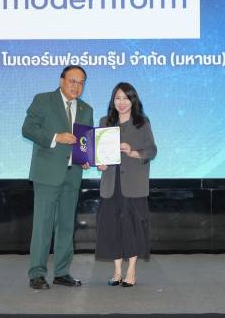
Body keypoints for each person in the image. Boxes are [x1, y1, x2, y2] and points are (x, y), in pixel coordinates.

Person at [22, 65, 94, 290]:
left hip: (73, 175)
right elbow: (28, 129)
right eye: (73, 81)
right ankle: (37, 274)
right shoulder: (43, 100)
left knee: (66, 225)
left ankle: (62, 272)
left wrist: (86, 158)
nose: (76, 86)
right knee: (42, 225)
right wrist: (56, 137)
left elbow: (85, 143)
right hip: (47, 173)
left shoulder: (86, 109)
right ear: (62, 80)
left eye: (81, 82)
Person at [95, 82, 157, 287]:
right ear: (113, 100)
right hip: (111, 183)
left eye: (125, 98)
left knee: (133, 227)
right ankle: (117, 271)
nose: (121, 102)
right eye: (117, 98)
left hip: (134, 184)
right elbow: (98, 153)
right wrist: (100, 164)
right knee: (112, 227)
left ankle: (131, 270)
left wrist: (133, 152)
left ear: (133, 100)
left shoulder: (142, 122)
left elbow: (152, 150)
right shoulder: (105, 122)